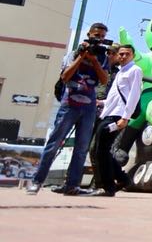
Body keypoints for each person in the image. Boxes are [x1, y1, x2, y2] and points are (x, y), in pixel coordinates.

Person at [28, 22, 111, 196]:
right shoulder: (74, 53)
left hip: (88, 106)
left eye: (102, 37)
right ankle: (36, 181)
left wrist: (94, 60)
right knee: (53, 144)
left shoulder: (103, 57)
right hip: (70, 104)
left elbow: (104, 80)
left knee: (81, 148)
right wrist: (81, 57)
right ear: (89, 34)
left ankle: (72, 185)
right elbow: (65, 76)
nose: (99, 39)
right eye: (97, 36)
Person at [88, 43, 140, 196]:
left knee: (101, 150)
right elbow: (115, 96)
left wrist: (125, 117)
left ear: (133, 56)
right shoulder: (120, 72)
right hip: (108, 113)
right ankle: (122, 179)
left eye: (127, 54)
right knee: (101, 150)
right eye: (121, 54)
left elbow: (134, 96)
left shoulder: (135, 70)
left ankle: (108, 186)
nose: (123, 56)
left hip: (118, 115)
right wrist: (102, 103)